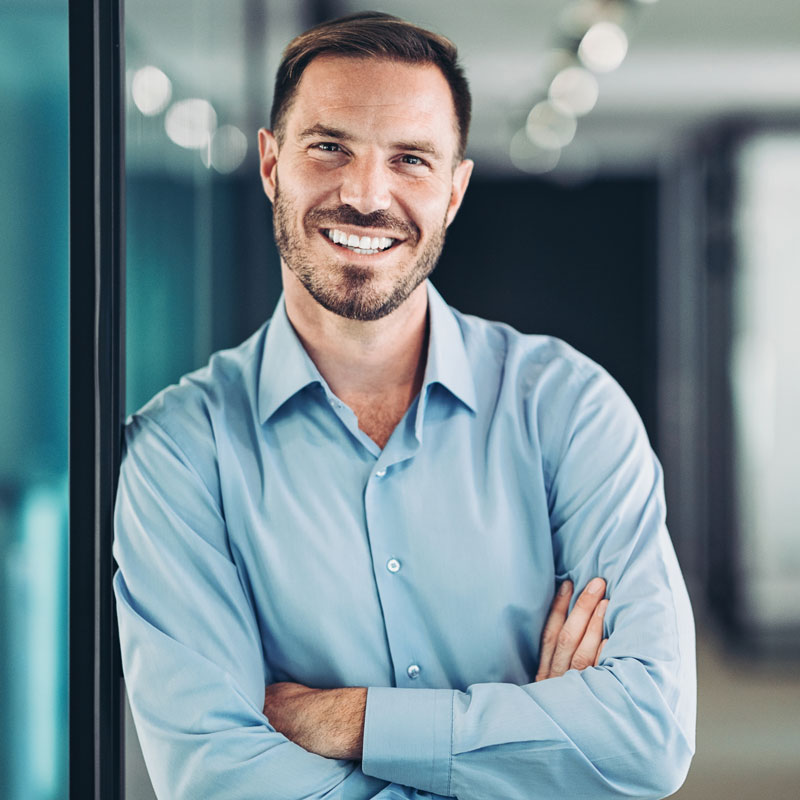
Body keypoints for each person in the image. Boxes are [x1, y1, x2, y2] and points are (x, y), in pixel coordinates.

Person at [113, 11, 695, 800]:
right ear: (270, 164)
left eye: (411, 159)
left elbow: (646, 736)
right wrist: (534, 745)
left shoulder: (570, 410)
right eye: (329, 148)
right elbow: (220, 777)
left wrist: (355, 722)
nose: (364, 194)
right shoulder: (179, 451)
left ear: (454, 191)